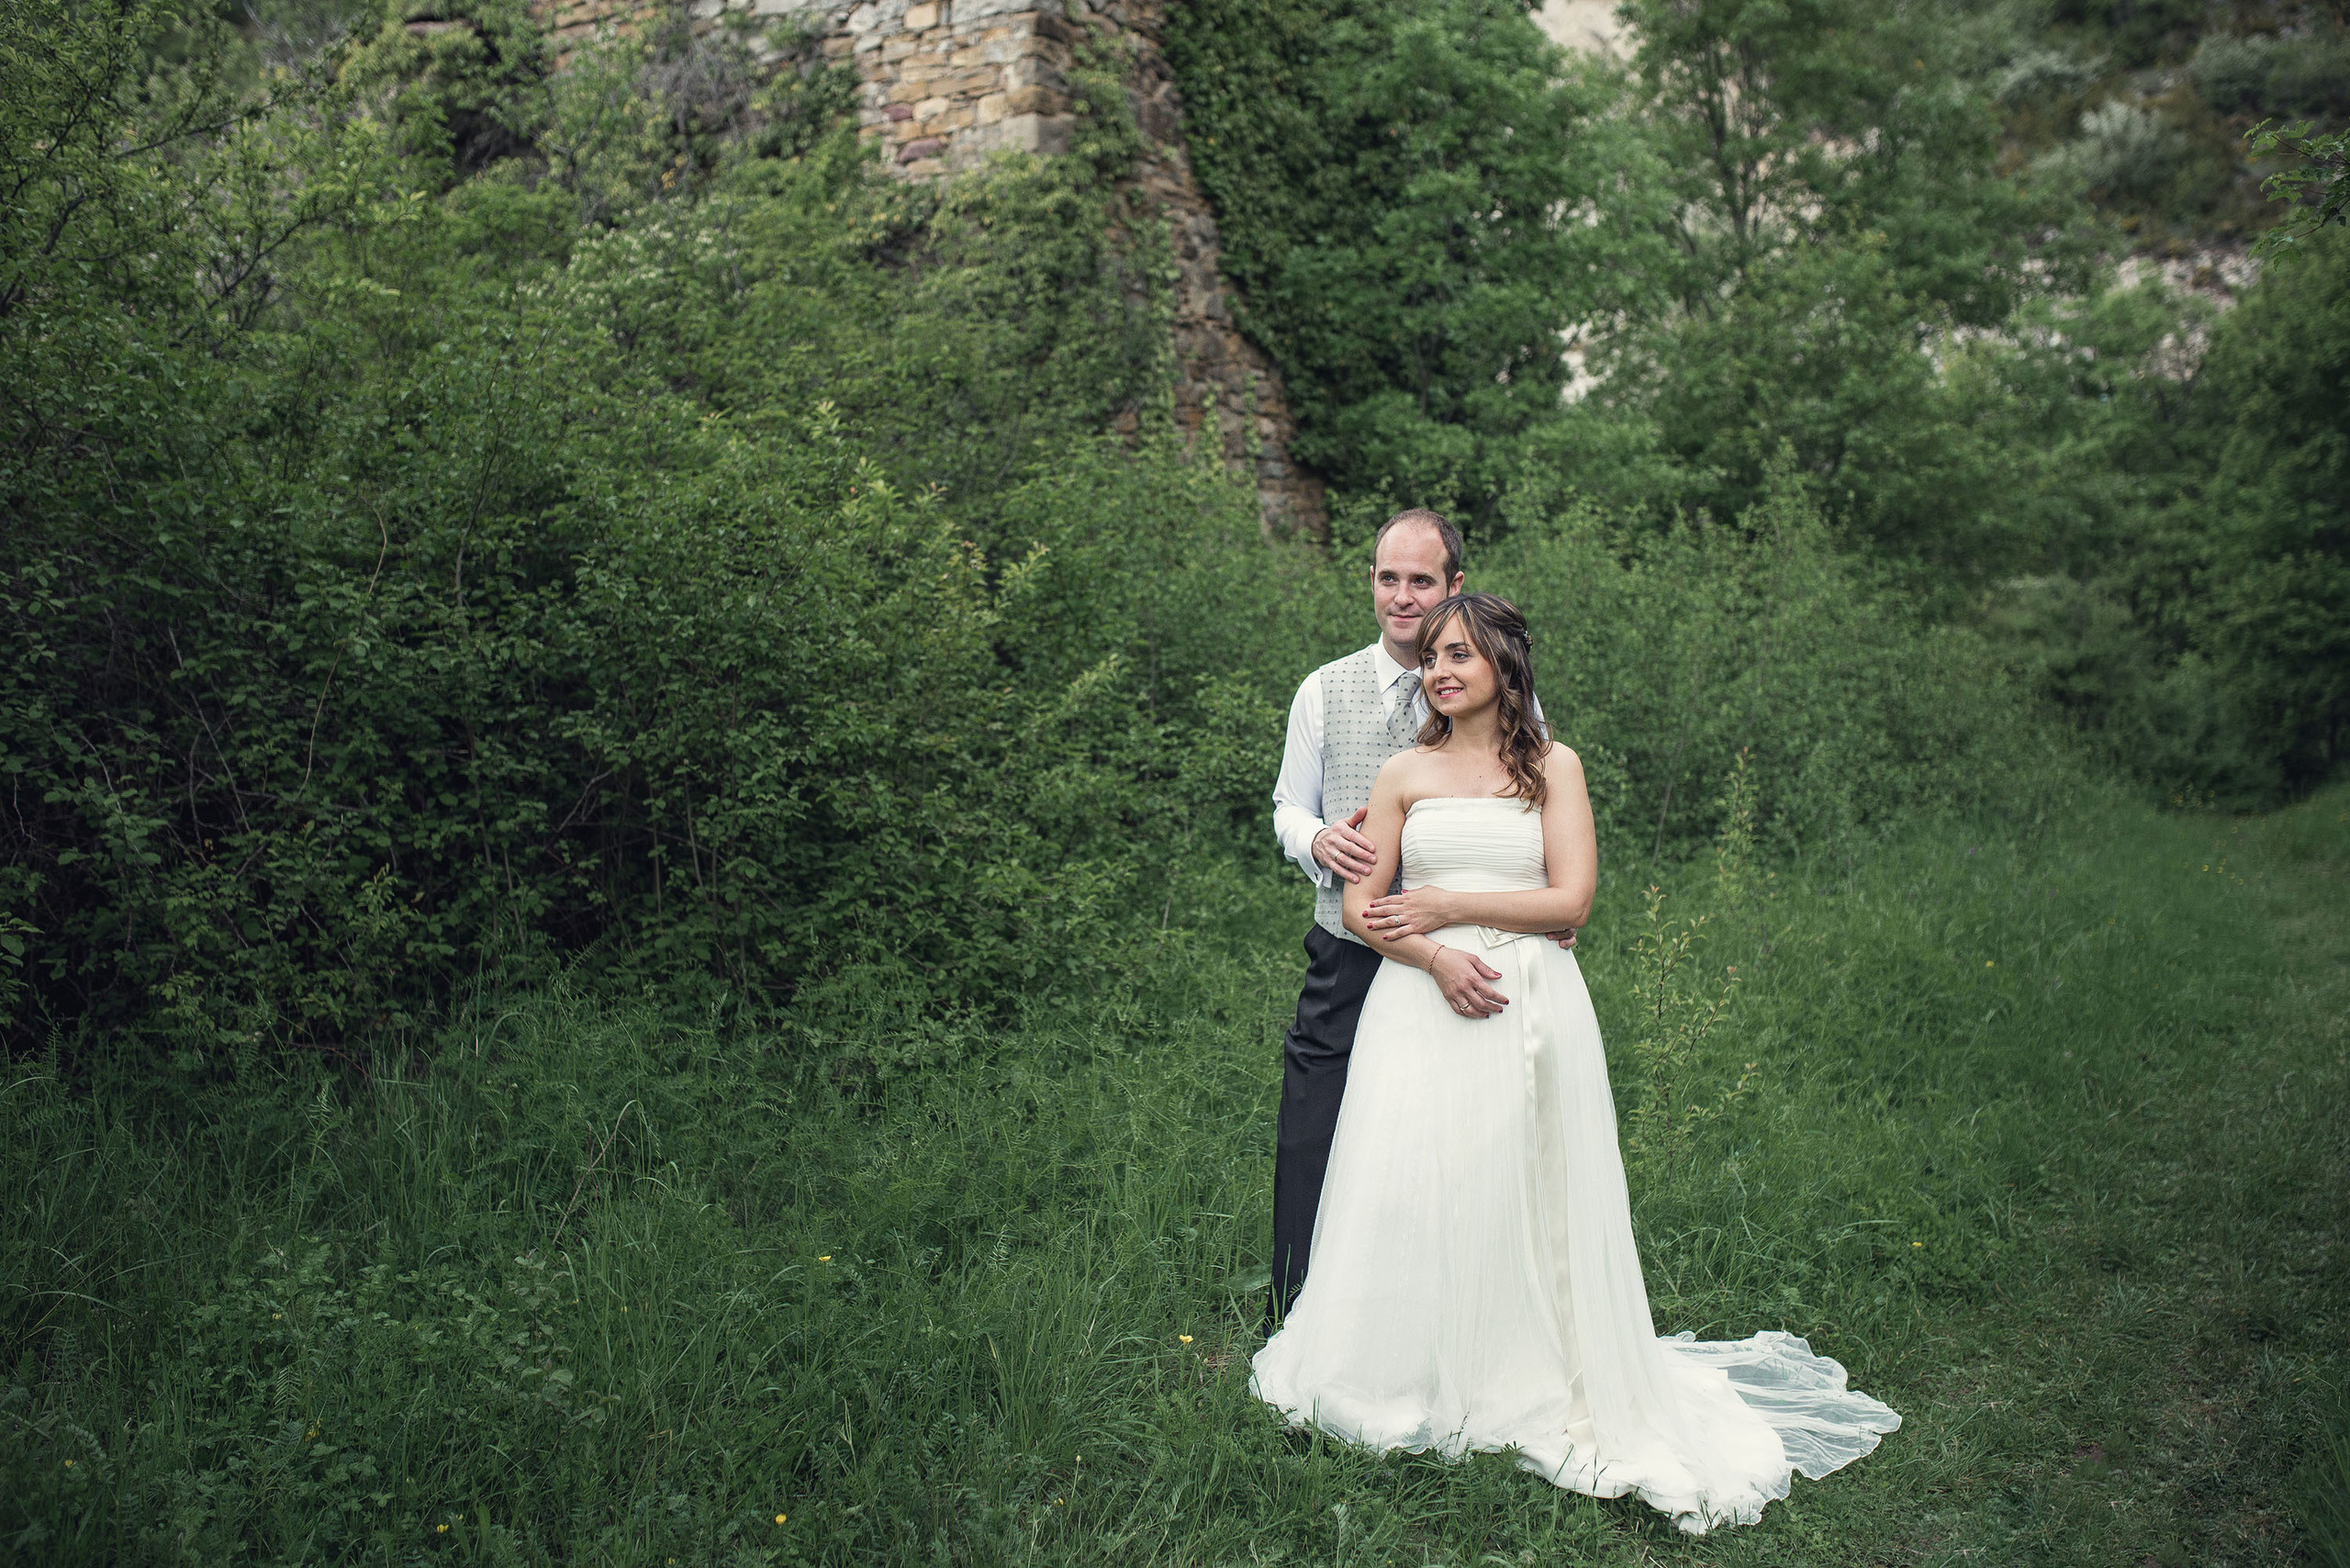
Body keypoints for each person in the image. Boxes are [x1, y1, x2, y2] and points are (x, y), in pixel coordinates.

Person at [1251, 592, 1900, 1535]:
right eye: (1431, 656)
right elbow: (1362, 909)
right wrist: (1432, 951)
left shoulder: (1553, 766)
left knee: (1518, 1182)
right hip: (1417, 1001)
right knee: (1415, 1184)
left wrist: (1442, 904)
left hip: (1527, 1000)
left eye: (1459, 654)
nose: (1439, 669)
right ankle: (1406, 1365)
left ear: (1505, 667)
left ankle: (1526, 1364)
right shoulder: (1400, 772)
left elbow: (1571, 901)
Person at [1266, 510, 1571, 1328]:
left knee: (1449, 1136)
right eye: (1386, 578)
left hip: (1474, 954)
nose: (1402, 598)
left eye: (1421, 582)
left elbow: (1536, 809)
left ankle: (1447, 1314)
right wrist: (1317, 837)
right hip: (1350, 942)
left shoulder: (1514, 698)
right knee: (1317, 1129)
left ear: (1453, 588)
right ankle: (1297, 1316)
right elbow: (1287, 804)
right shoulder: (1323, 691)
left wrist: (1548, 904)